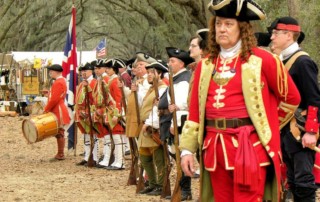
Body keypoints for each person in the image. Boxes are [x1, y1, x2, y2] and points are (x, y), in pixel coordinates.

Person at [179, 1, 301, 201]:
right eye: (218, 24)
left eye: (228, 24)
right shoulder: (205, 65)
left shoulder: (264, 59)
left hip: (250, 148)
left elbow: (292, 98)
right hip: (214, 149)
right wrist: (186, 149)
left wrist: (265, 125)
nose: (222, 29)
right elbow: (195, 111)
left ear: (242, 29)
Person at [269, 16, 320, 201]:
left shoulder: (302, 62)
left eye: (275, 33)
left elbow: (314, 98)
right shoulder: (282, 61)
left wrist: (312, 131)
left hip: (300, 131)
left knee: (304, 183)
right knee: (292, 181)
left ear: (288, 35)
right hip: (286, 132)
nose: (272, 37)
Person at [158, 47, 194, 200]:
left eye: (172, 61)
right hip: (170, 120)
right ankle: (183, 187)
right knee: (176, 155)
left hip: (178, 122)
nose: (169, 63)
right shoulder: (176, 78)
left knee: (181, 156)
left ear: (181, 64)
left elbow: (185, 104)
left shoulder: (184, 79)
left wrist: (176, 122)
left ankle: (185, 190)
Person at [137, 61, 168, 196]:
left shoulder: (161, 88)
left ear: (159, 74)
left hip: (153, 127)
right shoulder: (151, 88)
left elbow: (158, 110)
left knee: (158, 158)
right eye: (148, 72)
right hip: (146, 126)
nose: (149, 75)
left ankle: (161, 185)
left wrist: (150, 124)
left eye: (152, 72)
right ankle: (152, 183)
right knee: (144, 157)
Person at [43, 64, 71, 160]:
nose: (50, 73)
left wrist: (46, 109)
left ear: (57, 72)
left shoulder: (58, 82)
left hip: (58, 109)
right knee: (59, 131)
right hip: (58, 107)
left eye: (51, 71)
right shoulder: (60, 81)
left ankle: (61, 153)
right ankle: (60, 153)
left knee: (59, 131)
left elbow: (55, 99)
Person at [74, 62, 98, 166]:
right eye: (82, 71)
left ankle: (95, 157)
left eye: (85, 71)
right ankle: (87, 156)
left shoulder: (94, 83)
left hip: (89, 112)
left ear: (91, 71)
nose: (83, 73)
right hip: (81, 112)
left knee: (93, 136)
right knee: (86, 136)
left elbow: (95, 99)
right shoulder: (82, 83)